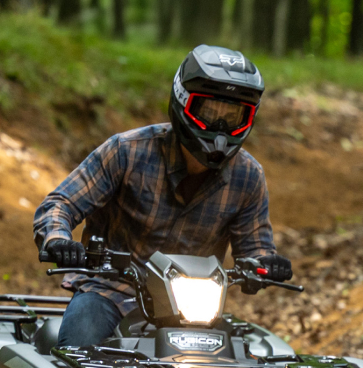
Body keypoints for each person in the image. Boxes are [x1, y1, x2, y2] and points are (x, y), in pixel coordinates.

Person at [33, 44, 293, 348]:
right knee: (81, 346)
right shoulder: (126, 151)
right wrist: (58, 240)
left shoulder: (248, 176)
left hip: (193, 309)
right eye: (209, 111)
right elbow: (60, 204)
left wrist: (265, 265)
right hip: (110, 293)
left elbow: (255, 249)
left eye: (232, 116)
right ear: (184, 103)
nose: (219, 127)